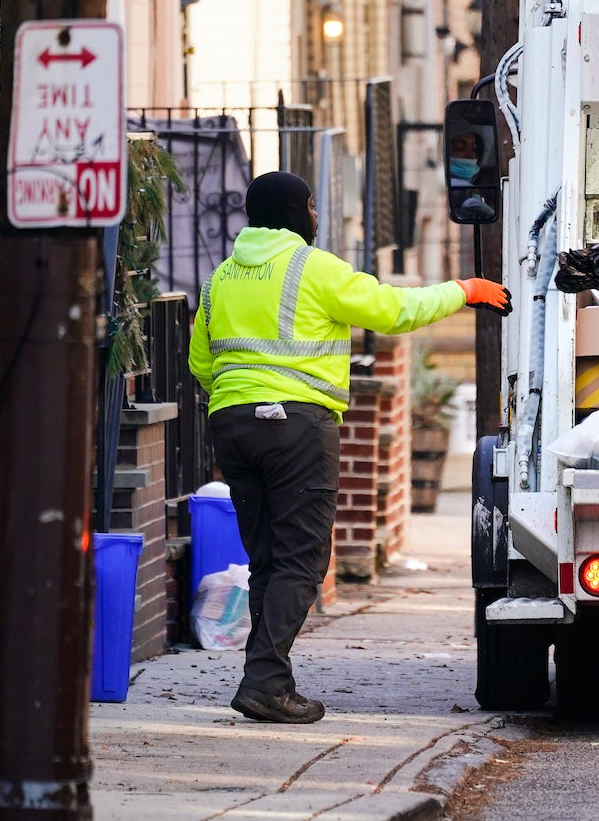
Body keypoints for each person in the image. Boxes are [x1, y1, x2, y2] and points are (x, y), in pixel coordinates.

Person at [189, 171, 511, 724]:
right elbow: (392, 310)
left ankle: (270, 682)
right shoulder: (311, 268)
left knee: (268, 558)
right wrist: (467, 290)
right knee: (304, 558)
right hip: (296, 426)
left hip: (233, 423)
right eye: (311, 206)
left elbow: (200, 360)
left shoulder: (221, 277)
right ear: (295, 210)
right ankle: (264, 680)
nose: (316, 216)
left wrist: (239, 397)